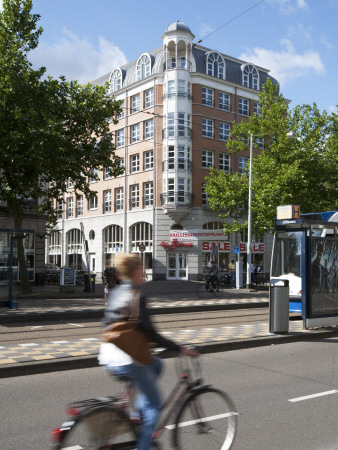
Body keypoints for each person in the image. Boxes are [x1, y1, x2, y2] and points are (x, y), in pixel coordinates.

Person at [98, 254, 199, 450]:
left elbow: (111, 325)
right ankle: (144, 440)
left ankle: (138, 414)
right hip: (126, 358)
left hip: (108, 354)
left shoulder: (115, 292)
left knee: (157, 364)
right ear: (135, 271)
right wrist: (182, 349)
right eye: (142, 269)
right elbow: (152, 334)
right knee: (155, 404)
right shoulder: (137, 295)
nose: (144, 272)